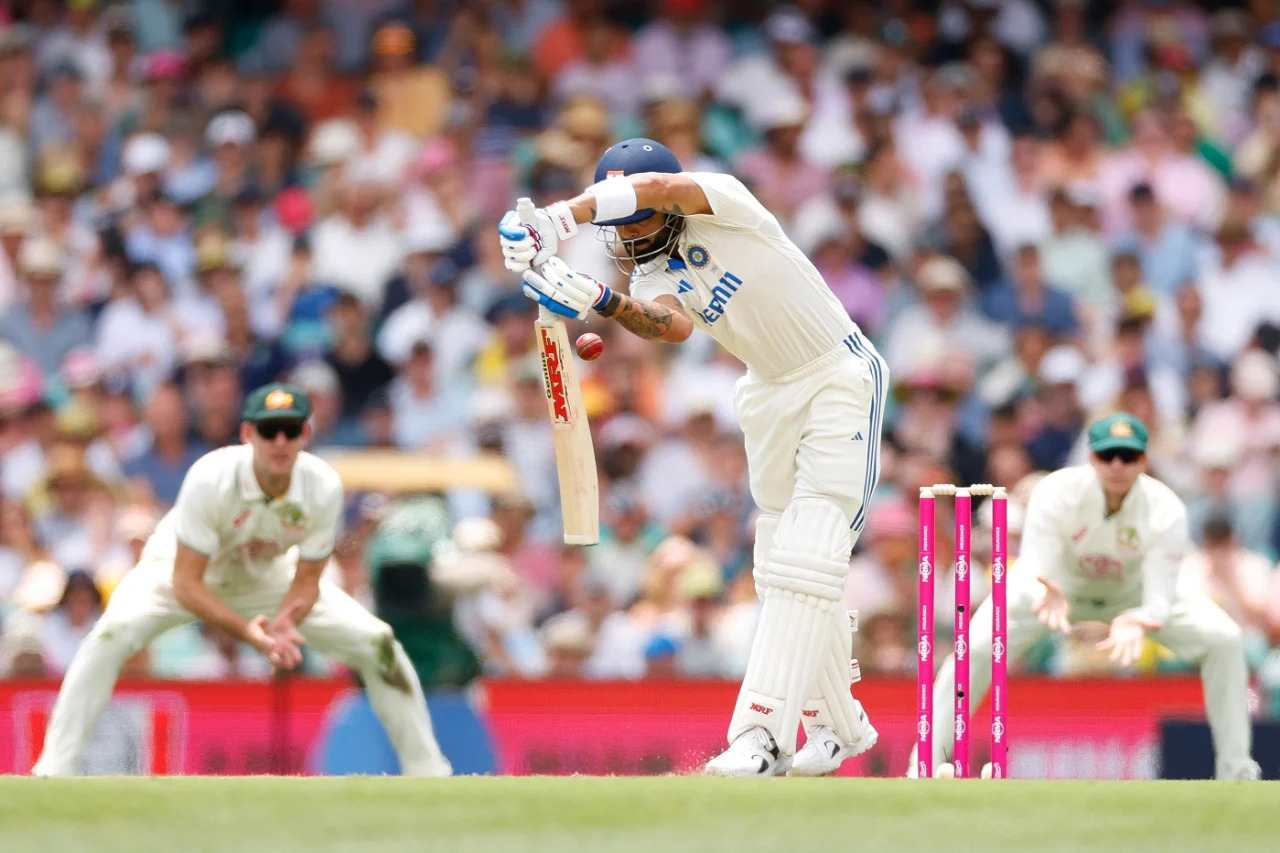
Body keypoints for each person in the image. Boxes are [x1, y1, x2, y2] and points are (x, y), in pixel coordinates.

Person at [498, 137, 885, 777]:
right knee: (780, 564)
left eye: (634, 216)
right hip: (767, 392)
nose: (630, 230)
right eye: (616, 226)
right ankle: (838, 725)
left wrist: (560, 218)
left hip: (837, 373)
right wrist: (597, 296)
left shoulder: (724, 201)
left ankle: (760, 737)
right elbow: (668, 326)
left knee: (811, 552)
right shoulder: (652, 269)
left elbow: (654, 190)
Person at [31, 383, 451, 777]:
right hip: (179, 570)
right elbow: (187, 584)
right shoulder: (211, 476)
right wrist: (247, 631)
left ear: (306, 432)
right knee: (110, 635)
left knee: (377, 643)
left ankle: (428, 771)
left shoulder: (321, 485)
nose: (281, 442)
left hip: (267, 575)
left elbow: (307, 578)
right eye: (270, 431)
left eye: (290, 430)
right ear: (248, 433)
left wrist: (286, 619)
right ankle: (55, 767)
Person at [910, 413, 1261, 781]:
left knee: (1225, 639)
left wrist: (1138, 619)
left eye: (1128, 456)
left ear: (1143, 460)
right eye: (1108, 455)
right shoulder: (1056, 491)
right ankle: (924, 762)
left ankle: (1236, 769)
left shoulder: (1165, 508)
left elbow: (1161, 594)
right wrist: (1051, 593)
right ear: (1092, 458)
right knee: (974, 650)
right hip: (1054, 592)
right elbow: (1035, 563)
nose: (1117, 465)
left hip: (1132, 597)